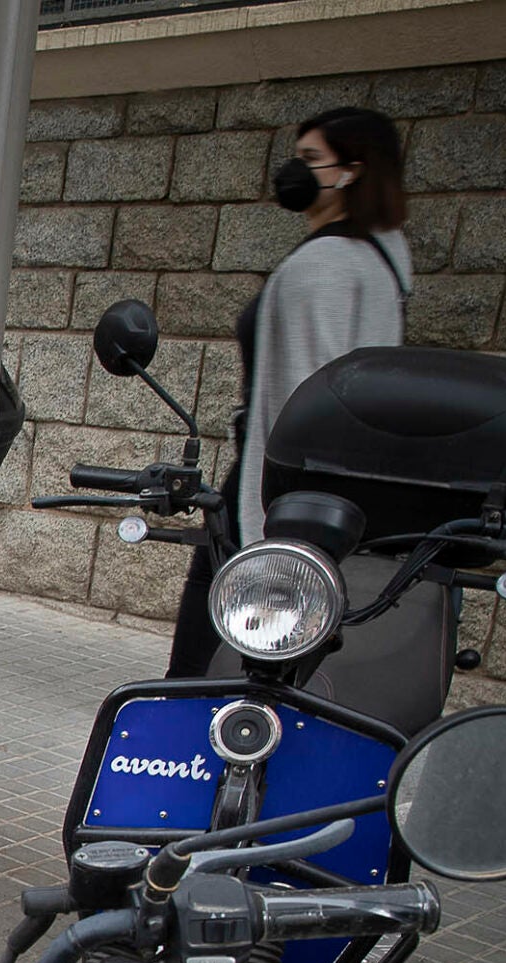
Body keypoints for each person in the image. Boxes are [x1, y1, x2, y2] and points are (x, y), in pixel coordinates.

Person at [168, 106, 411, 675]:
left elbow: (305, 399)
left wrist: (271, 527)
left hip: (277, 483)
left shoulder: (322, 267)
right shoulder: (384, 258)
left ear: (350, 172)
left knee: (206, 651)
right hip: (335, 489)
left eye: (310, 160)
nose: (294, 172)